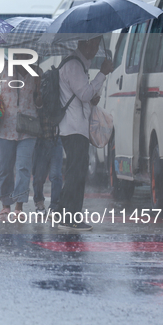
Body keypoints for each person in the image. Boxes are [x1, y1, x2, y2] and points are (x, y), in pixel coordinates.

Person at [55, 36, 114, 231]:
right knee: (76, 173)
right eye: (94, 45)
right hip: (73, 128)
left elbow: (85, 96)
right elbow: (85, 94)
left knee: (75, 172)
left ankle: (65, 213)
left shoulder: (78, 64)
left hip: (75, 127)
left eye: (98, 45)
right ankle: (69, 216)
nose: (96, 49)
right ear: (83, 43)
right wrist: (102, 73)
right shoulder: (73, 65)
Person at [0, 58, 42, 219]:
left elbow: (40, 103)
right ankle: (6, 204)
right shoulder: (3, 69)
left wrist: (39, 88)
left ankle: (19, 205)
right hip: (5, 126)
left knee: (23, 167)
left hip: (28, 128)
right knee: (5, 167)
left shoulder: (37, 73)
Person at [32, 88, 63, 215]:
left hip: (55, 140)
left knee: (55, 176)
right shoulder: (35, 97)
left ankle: (54, 205)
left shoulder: (58, 99)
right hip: (40, 142)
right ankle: (39, 202)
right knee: (39, 177)